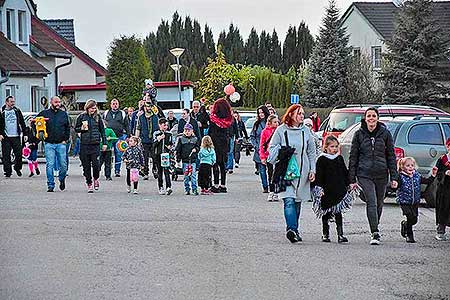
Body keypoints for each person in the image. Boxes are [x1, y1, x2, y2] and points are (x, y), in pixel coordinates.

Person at [348, 107, 398, 245]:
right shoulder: (358, 134)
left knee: (379, 203)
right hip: (364, 173)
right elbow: (353, 157)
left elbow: (391, 156)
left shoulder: (385, 134)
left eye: (373, 116)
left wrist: (394, 177)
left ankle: (375, 224)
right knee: (372, 201)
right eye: (368, 116)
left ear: (377, 118)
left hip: (382, 173)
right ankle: (375, 232)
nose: (371, 118)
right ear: (365, 118)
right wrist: (351, 179)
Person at [267, 104, 316, 243]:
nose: (302, 116)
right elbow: (272, 149)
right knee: (288, 200)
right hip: (285, 170)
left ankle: (295, 229)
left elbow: (311, 152)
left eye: (302, 113)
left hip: (302, 171)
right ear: (291, 115)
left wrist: (313, 170)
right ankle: (291, 229)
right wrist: (283, 150)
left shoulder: (306, 131)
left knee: (297, 202)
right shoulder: (281, 131)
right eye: (299, 113)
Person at [312, 135, 352, 243]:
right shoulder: (321, 159)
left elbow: (344, 172)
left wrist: (349, 183)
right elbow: (319, 175)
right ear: (326, 147)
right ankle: (325, 233)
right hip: (326, 190)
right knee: (326, 212)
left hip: (338, 188)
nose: (334, 149)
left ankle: (340, 234)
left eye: (336, 147)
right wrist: (319, 188)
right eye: (332, 147)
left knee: (338, 212)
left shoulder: (339, 158)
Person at [396, 157, 437, 243]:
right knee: (409, 215)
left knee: (414, 219)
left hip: (415, 201)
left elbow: (427, 181)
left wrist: (433, 175)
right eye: (408, 165)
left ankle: (405, 224)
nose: (410, 167)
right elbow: (396, 187)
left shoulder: (417, 176)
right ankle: (409, 235)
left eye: (412, 165)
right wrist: (394, 185)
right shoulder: (401, 177)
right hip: (404, 201)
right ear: (402, 167)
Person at [37, 96, 70, 192]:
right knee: (50, 164)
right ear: (51, 102)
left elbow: (68, 127)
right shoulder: (44, 113)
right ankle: (50, 185)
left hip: (61, 143)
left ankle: (61, 179)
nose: (58, 104)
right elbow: (35, 123)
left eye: (59, 102)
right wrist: (39, 134)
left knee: (63, 165)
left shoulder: (63, 114)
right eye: (56, 102)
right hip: (49, 143)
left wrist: (65, 139)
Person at [75, 100, 107, 193]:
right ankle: (89, 183)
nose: (93, 110)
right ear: (87, 108)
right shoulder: (81, 117)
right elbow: (76, 128)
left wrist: (104, 143)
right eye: (91, 108)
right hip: (84, 145)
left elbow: (103, 131)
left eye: (94, 108)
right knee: (86, 167)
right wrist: (81, 128)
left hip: (95, 144)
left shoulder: (98, 117)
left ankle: (96, 178)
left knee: (96, 165)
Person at [208, 98, 233, 193]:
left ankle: (216, 185)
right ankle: (223, 185)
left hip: (215, 142)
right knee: (222, 164)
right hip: (224, 142)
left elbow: (210, 131)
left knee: (215, 163)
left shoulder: (214, 119)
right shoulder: (229, 119)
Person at [0, 96, 26, 177]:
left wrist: (25, 133)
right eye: (11, 102)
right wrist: (0, 134)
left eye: (13, 102)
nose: (13, 103)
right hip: (6, 136)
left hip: (16, 136)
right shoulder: (2, 112)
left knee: (18, 154)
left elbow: (22, 122)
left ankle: (17, 167)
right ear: (6, 102)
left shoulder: (17, 111)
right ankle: (8, 172)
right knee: (6, 155)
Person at [103, 98, 129, 177]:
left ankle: (117, 170)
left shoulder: (122, 113)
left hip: (119, 137)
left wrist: (128, 135)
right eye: (113, 104)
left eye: (116, 103)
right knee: (107, 154)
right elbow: (102, 124)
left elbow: (127, 125)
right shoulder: (106, 113)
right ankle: (107, 170)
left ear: (118, 104)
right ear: (110, 105)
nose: (115, 105)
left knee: (118, 154)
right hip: (109, 138)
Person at [135, 101, 159, 180]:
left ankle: (155, 169)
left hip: (154, 140)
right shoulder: (141, 117)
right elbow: (138, 128)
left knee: (154, 156)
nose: (148, 108)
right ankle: (146, 172)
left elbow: (159, 128)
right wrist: (136, 138)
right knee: (145, 158)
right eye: (147, 107)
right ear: (144, 107)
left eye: (149, 107)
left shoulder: (155, 117)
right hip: (144, 140)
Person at [250, 105, 270, 193]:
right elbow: (252, 136)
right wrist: (255, 145)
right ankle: (265, 186)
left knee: (270, 170)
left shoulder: (270, 123)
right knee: (262, 170)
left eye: (262, 112)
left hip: (270, 150)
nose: (261, 114)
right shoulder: (256, 124)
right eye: (259, 113)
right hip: (259, 150)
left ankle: (271, 186)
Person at [175, 123, 199, 195]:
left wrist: (196, 149)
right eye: (186, 130)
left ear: (192, 131)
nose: (187, 132)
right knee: (186, 175)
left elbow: (198, 147)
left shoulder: (195, 139)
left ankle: (194, 189)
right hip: (185, 160)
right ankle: (187, 188)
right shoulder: (181, 139)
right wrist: (178, 158)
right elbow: (178, 149)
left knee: (193, 175)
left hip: (193, 160)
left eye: (189, 130)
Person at [260, 115, 279, 201]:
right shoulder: (265, 132)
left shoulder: (279, 131)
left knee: (278, 174)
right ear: (270, 123)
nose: (276, 123)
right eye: (275, 122)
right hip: (269, 156)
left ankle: (276, 192)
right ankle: (271, 191)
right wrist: (263, 157)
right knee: (270, 174)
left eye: (277, 122)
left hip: (279, 156)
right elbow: (262, 145)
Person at [434, 139, 450, 241]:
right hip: (444, 189)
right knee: (443, 208)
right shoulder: (442, 159)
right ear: (447, 147)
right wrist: (445, 174)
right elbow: (437, 174)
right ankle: (441, 230)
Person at [153, 118, 173, 195]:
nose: (165, 127)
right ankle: (160, 187)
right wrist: (159, 139)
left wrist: (170, 147)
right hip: (158, 154)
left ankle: (169, 187)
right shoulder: (156, 133)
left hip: (165, 155)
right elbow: (153, 145)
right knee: (160, 172)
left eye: (166, 125)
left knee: (166, 170)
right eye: (164, 125)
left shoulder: (169, 134)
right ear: (160, 125)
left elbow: (171, 143)